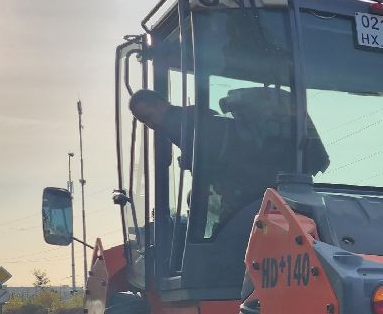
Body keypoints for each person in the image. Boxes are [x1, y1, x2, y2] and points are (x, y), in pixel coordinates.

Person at [128, 87, 329, 238]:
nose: (150, 124)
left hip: (248, 189)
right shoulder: (187, 121)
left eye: (148, 116)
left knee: (205, 216)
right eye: (144, 121)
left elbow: (229, 161)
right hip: (254, 187)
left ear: (161, 104)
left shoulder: (184, 125)